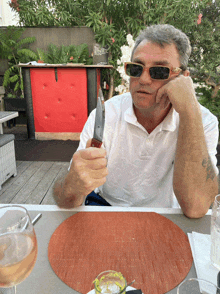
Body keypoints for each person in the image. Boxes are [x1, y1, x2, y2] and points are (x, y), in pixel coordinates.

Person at [53, 24, 219, 218]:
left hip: (169, 218)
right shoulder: (107, 115)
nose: (144, 79)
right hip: (108, 212)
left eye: (159, 71)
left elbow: (196, 207)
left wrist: (189, 110)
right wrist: (74, 183)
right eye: (136, 69)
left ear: (183, 78)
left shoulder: (202, 121)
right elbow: (64, 199)